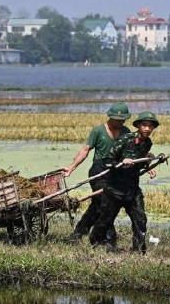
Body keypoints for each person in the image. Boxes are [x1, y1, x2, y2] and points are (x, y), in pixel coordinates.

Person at [89, 111, 159, 254]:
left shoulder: (148, 143)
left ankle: (139, 250)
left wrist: (148, 166)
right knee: (105, 220)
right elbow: (108, 161)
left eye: (150, 126)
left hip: (132, 188)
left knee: (140, 219)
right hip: (114, 188)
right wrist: (121, 162)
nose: (147, 129)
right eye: (144, 125)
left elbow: (140, 159)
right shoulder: (124, 140)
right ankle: (95, 242)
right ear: (138, 126)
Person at [63, 102, 132, 242]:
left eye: (122, 120)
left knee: (96, 205)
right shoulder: (98, 131)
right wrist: (72, 167)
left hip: (115, 172)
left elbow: (132, 152)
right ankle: (109, 238)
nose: (120, 122)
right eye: (117, 120)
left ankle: (78, 233)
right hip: (98, 172)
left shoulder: (126, 132)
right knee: (105, 203)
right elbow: (85, 150)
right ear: (110, 117)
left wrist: (148, 164)